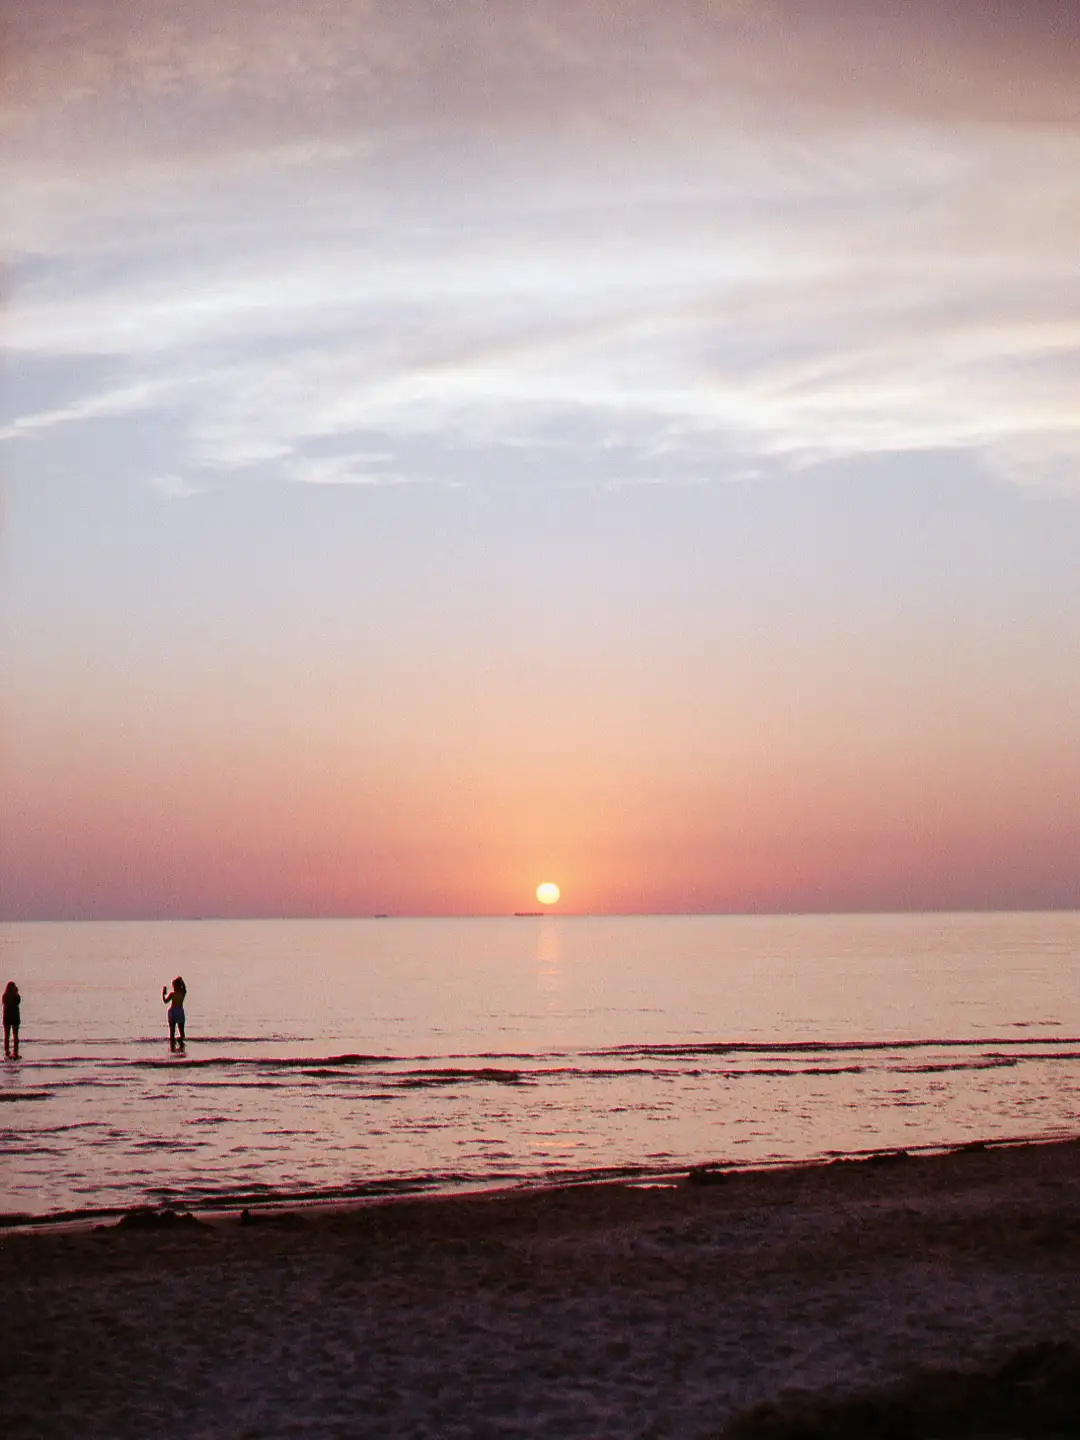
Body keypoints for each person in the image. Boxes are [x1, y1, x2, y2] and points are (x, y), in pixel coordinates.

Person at [162, 976, 187, 1049]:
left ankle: (178, 1046)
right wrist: (163, 994)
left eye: (174, 986)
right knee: (175, 1033)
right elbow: (165, 1001)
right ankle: (177, 1046)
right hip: (176, 1012)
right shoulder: (178, 993)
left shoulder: (179, 993)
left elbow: (165, 1001)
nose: (174, 987)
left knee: (177, 1032)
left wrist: (181, 980)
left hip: (175, 1012)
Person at [3, 981, 21, 1059]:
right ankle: (15, 1052)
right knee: (15, 1036)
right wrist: (16, 992)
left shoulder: (5, 996)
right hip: (15, 1017)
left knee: (7, 1036)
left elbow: (4, 1003)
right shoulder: (15, 996)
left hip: (7, 1017)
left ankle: (7, 1051)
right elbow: (18, 1001)